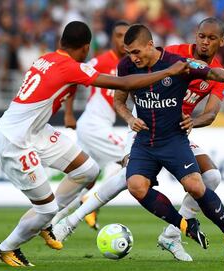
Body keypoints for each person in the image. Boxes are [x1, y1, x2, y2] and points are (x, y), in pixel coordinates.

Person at [0, 21, 189, 267]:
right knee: (45, 209)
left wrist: (67, 114)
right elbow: (125, 84)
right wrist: (168, 72)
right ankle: (7, 248)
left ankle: (47, 224)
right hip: (15, 140)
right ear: (86, 48)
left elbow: (65, 84)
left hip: (36, 131)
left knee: (88, 171)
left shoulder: (47, 58)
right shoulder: (70, 67)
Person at [54, 23, 224, 263]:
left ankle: (172, 235)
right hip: (142, 127)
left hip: (176, 130)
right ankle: (70, 223)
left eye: (211, 38)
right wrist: (131, 118)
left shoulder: (206, 71)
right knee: (130, 179)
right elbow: (123, 94)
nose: (205, 41)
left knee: (211, 177)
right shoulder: (174, 53)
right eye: (201, 36)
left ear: (221, 42)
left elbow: (211, 112)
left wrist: (193, 122)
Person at [51, 21, 130, 230]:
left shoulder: (131, 64)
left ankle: (50, 221)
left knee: (84, 178)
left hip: (97, 127)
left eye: (126, 36)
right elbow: (73, 76)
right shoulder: (103, 61)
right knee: (131, 160)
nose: (123, 41)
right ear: (112, 38)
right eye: (119, 35)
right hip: (94, 125)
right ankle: (90, 201)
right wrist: (68, 113)